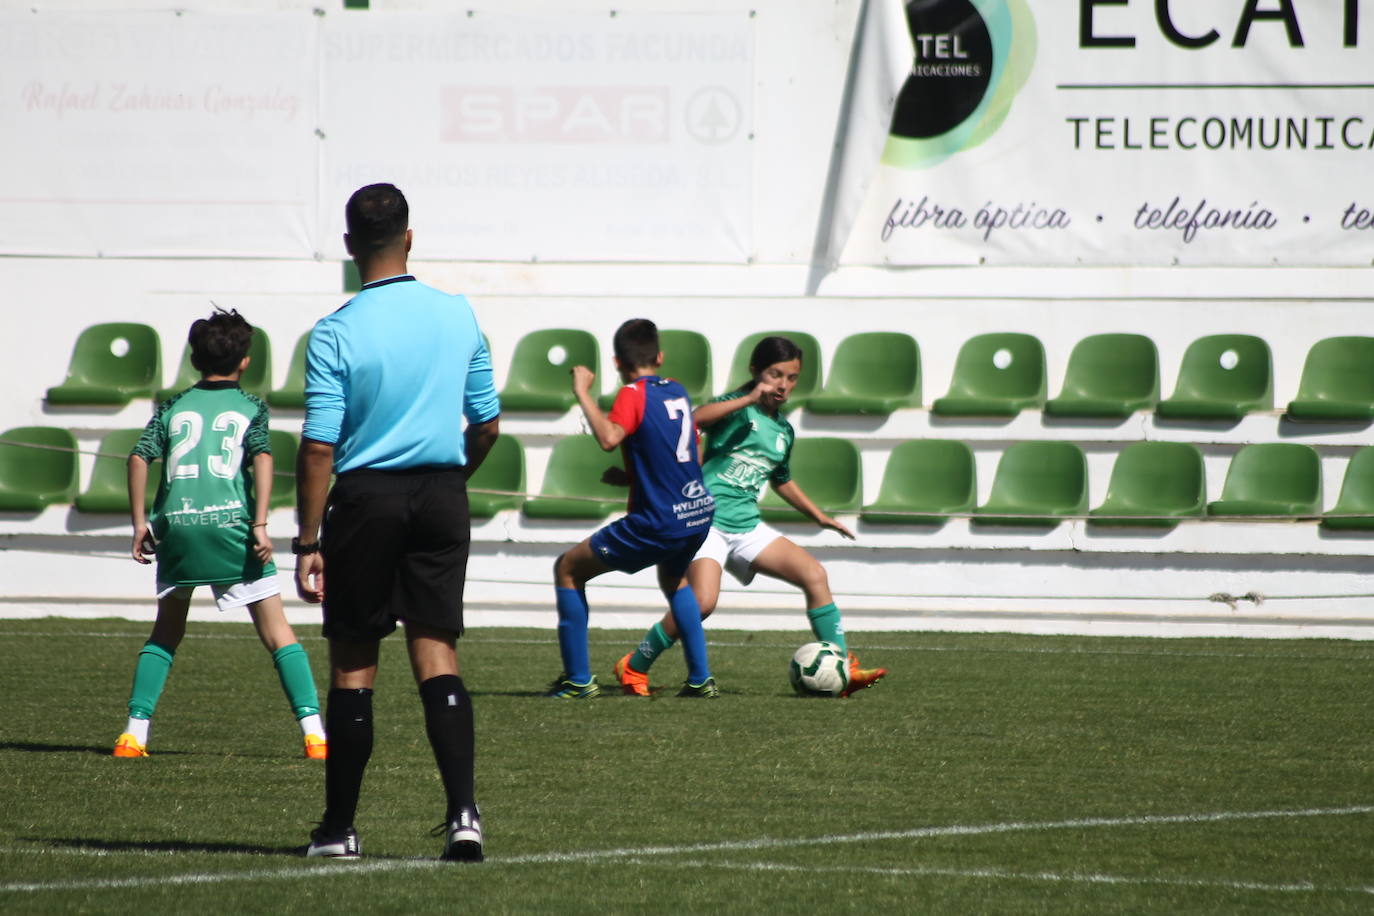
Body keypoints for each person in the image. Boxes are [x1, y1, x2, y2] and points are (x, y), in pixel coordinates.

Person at [294, 183, 500, 863]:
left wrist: (307, 540)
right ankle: (464, 815)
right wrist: (449, 481)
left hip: (365, 499)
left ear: (350, 246)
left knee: (356, 664)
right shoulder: (459, 313)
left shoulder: (335, 331)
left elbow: (320, 445)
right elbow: (488, 423)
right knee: (437, 654)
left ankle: (338, 830)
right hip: (442, 492)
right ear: (410, 237)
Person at [612, 335, 887, 698]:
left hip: (745, 526)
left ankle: (844, 668)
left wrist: (819, 516)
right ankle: (635, 665)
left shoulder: (783, 431)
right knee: (703, 602)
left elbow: (782, 480)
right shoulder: (736, 407)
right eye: (776, 375)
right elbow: (693, 419)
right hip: (705, 523)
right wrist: (748, 398)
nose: (783, 385)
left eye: (791, 378)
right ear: (756, 371)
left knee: (814, 575)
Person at [114, 308, 326, 760]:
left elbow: (137, 457)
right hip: (232, 529)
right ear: (245, 362)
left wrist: (140, 524)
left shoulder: (173, 407)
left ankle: (134, 734)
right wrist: (261, 523)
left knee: (165, 635)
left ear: (195, 360)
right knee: (278, 634)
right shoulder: (251, 408)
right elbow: (264, 458)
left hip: (180, 528)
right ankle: (315, 735)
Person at [547, 318, 718, 698]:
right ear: (660, 356)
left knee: (569, 568)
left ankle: (577, 681)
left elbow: (609, 438)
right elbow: (693, 450)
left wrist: (582, 392)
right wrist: (632, 477)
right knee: (676, 581)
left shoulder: (632, 393)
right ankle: (700, 679)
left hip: (659, 520)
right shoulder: (677, 391)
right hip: (697, 513)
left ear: (616, 362)